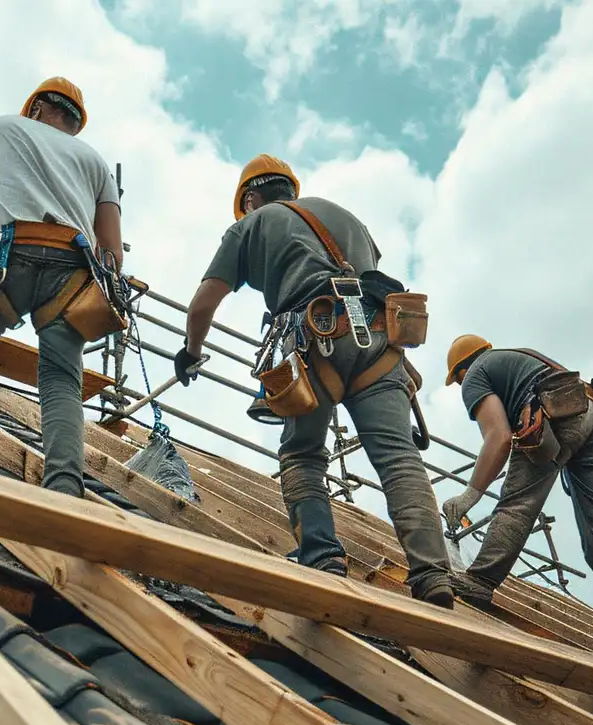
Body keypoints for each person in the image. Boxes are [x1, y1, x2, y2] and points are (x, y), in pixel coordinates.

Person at [176, 155, 453, 607]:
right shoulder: (347, 218)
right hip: (378, 340)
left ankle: (322, 555)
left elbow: (203, 304)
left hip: (315, 336)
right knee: (398, 456)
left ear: (250, 198)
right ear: (291, 189)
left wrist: (190, 352)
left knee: (302, 453)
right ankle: (433, 572)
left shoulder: (251, 225)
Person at [0, 76, 123, 497]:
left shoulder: (6, 126)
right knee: (61, 379)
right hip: (72, 270)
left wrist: (11, 191)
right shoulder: (96, 162)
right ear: (76, 123)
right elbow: (112, 253)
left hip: (10, 259)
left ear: (37, 108)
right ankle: (64, 486)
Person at [441, 334, 593, 668]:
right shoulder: (519, 358)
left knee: (518, 504)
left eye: (458, 382)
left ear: (460, 371)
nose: (462, 389)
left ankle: (479, 581)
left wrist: (470, 494)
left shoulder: (475, 374)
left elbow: (498, 436)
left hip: (557, 416)